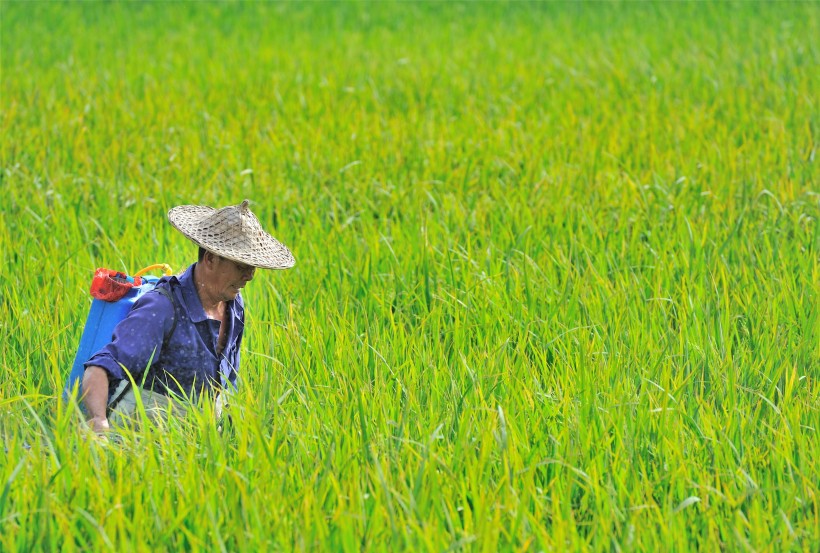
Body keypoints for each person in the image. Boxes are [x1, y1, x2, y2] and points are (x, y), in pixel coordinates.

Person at [82, 199, 294, 432]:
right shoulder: (163, 308)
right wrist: (98, 422)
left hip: (198, 440)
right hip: (138, 435)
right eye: (241, 265)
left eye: (253, 266)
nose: (250, 276)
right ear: (211, 259)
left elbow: (225, 384)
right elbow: (99, 368)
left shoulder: (234, 306)